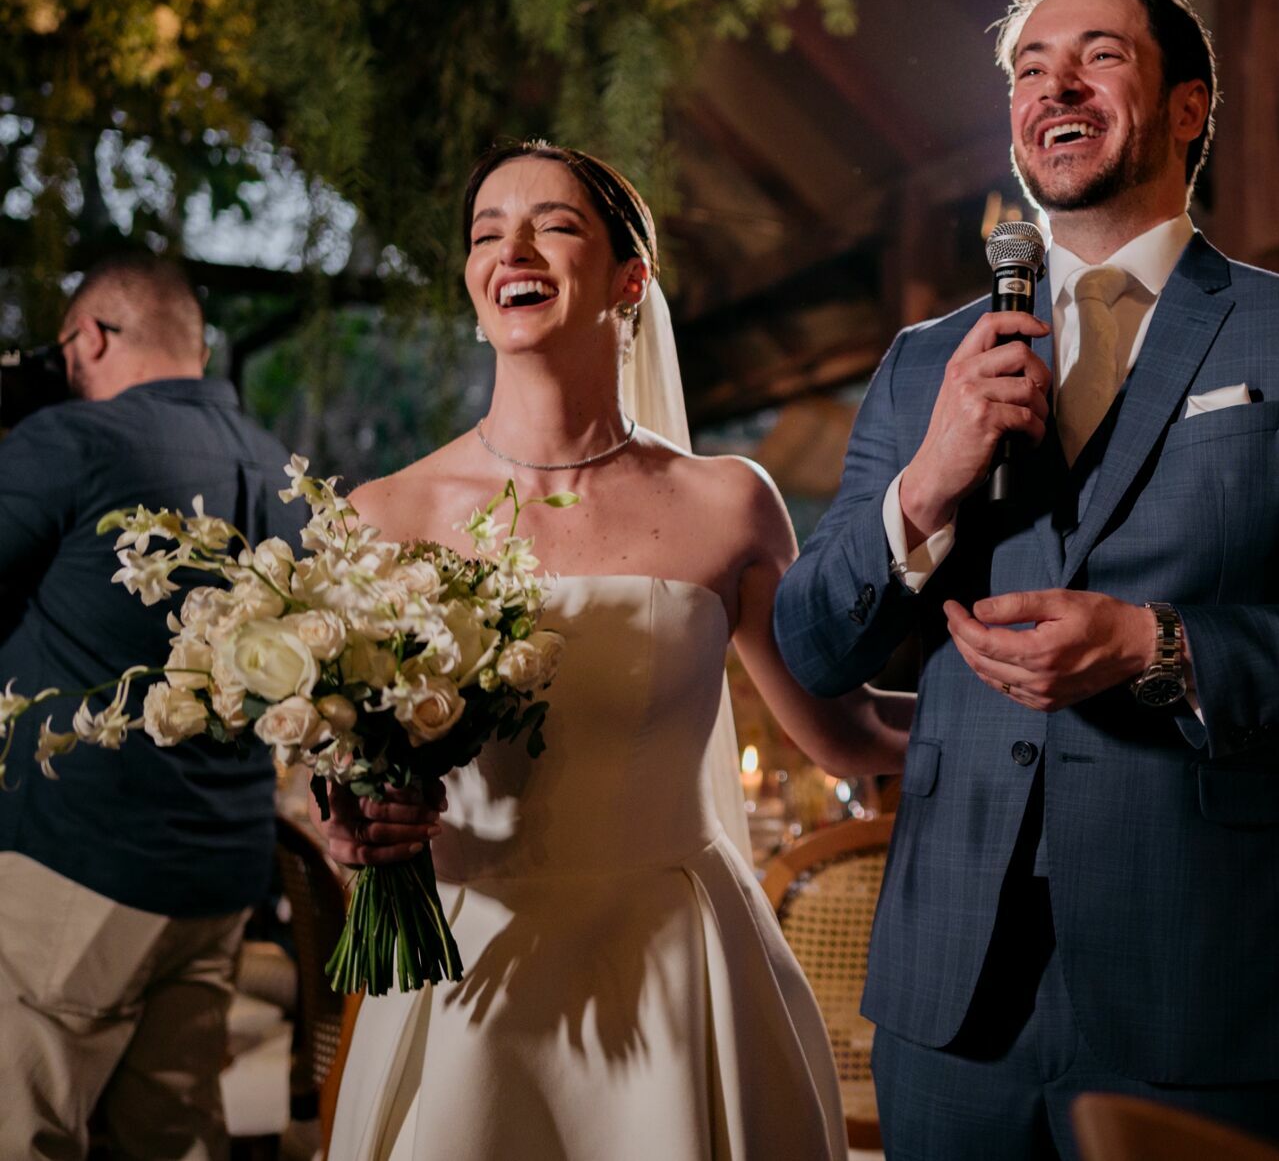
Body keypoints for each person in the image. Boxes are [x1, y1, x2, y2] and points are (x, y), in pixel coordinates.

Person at [773, 0, 1279, 1159]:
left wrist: (1164, 647)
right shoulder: (921, 364)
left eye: (1101, 58)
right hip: (956, 990)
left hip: (1203, 970)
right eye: (1033, 70)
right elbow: (812, 642)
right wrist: (933, 472)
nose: (1060, 88)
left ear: (1188, 107)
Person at [318, 142, 912, 1161]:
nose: (512, 246)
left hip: (681, 969)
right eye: (485, 231)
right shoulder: (384, 515)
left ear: (630, 278)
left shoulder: (729, 502)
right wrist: (359, 824)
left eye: (552, 223)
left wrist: (999, 701)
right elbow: (349, 770)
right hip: (472, 974)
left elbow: (842, 733)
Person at [0, 254, 306, 1160]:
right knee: (170, 1136)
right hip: (219, 868)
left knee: (24, 1129)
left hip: (80, 864)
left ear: (88, 338)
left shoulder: (74, 441)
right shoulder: (276, 464)